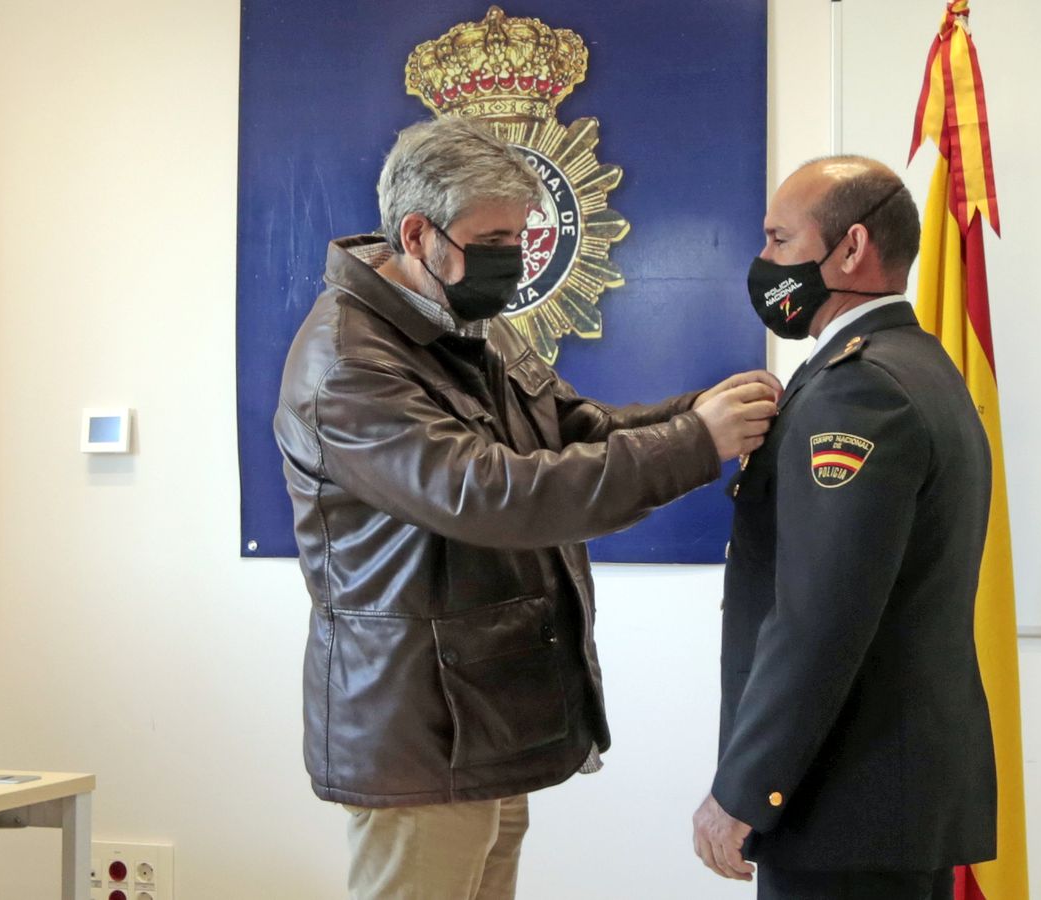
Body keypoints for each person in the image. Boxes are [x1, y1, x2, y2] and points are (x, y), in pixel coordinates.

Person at [274, 116, 780, 900]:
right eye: (496, 238)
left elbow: (576, 429)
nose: (512, 259)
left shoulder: (466, 326)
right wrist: (693, 443)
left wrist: (700, 412)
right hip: (418, 734)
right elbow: (493, 494)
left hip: (483, 716)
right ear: (418, 234)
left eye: (520, 236)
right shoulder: (349, 365)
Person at [691, 156, 998, 899]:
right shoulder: (918, 366)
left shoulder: (859, 393)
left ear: (851, 249)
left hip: (843, 805)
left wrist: (746, 789)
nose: (762, 263)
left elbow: (819, 620)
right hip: (886, 801)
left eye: (777, 241)